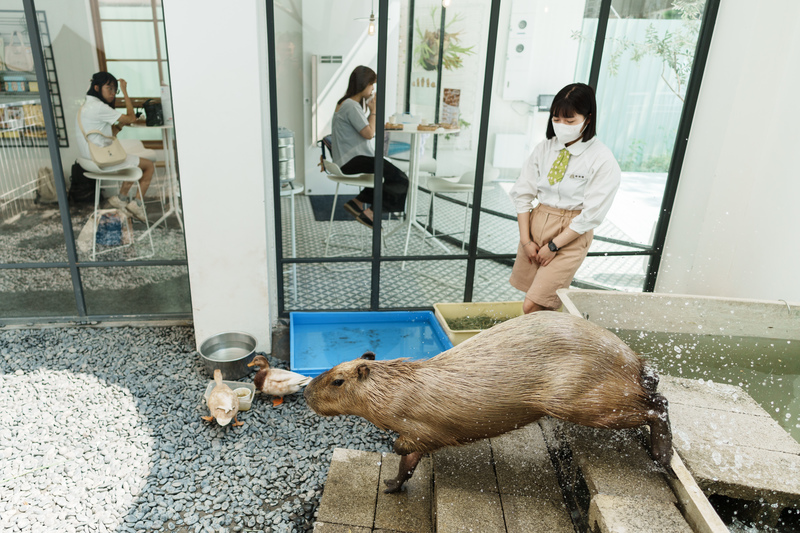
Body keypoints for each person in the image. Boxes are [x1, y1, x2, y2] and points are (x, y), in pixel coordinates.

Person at [508, 83, 621, 314]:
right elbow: (522, 194)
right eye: (556, 119)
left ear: (588, 119)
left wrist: (553, 245)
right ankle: (551, 346)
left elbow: (591, 215)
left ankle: (544, 348)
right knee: (539, 303)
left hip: (570, 233)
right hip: (537, 221)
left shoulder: (602, 159)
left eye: (570, 122)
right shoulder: (544, 148)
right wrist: (526, 240)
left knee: (534, 305)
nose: (562, 126)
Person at [331, 65, 409, 227]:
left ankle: (358, 203)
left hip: (347, 160)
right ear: (363, 84)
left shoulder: (345, 103)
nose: (373, 88)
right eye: (372, 84)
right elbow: (369, 133)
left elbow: (363, 127)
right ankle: (371, 213)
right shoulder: (351, 105)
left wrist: (370, 110)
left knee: (390, 175)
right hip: (353, 160)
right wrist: (374, 110)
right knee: (401, 178)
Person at [75, 71, 154, 222]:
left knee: (131, 161)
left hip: (89, 157)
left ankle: (121, 199)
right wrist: (125, 90)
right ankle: (136, 206)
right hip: (99, 159)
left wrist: (120, 125)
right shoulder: (99, 107)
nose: (112, 93)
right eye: (109, 88)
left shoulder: (87, 106)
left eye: (115, 89)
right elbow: (131, 117)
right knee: (148, 166)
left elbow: (109, 133)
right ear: (97, 88)